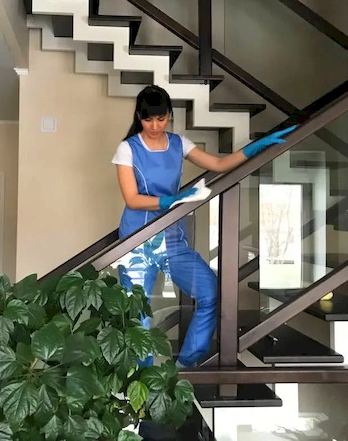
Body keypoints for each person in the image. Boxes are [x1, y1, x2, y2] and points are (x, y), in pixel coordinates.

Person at [112, 84, 295, 367]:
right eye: (148, 119)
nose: (155, 126)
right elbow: (132, 199)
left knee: (210, 292)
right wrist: (170, 201)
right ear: (139, 117)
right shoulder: (128, 149)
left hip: (173, 238)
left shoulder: (179, 144)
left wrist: (257, 146)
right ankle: (143, 380)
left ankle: (186, 365)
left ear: (169, 115)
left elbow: (220, 165)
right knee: (138, 314)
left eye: (161, 118)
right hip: (137, 240)